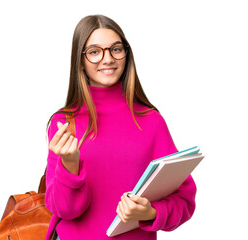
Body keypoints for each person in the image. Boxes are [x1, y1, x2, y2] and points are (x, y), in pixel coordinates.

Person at [44, 15, 197, 240]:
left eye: (116, 49)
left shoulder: (151, 121)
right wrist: (70, 164)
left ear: (126, 54)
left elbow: (184, 200)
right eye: (95, 52)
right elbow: (65, 210)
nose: (107, 59)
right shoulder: (66, 124)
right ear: (80, 61)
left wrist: (151, 212)